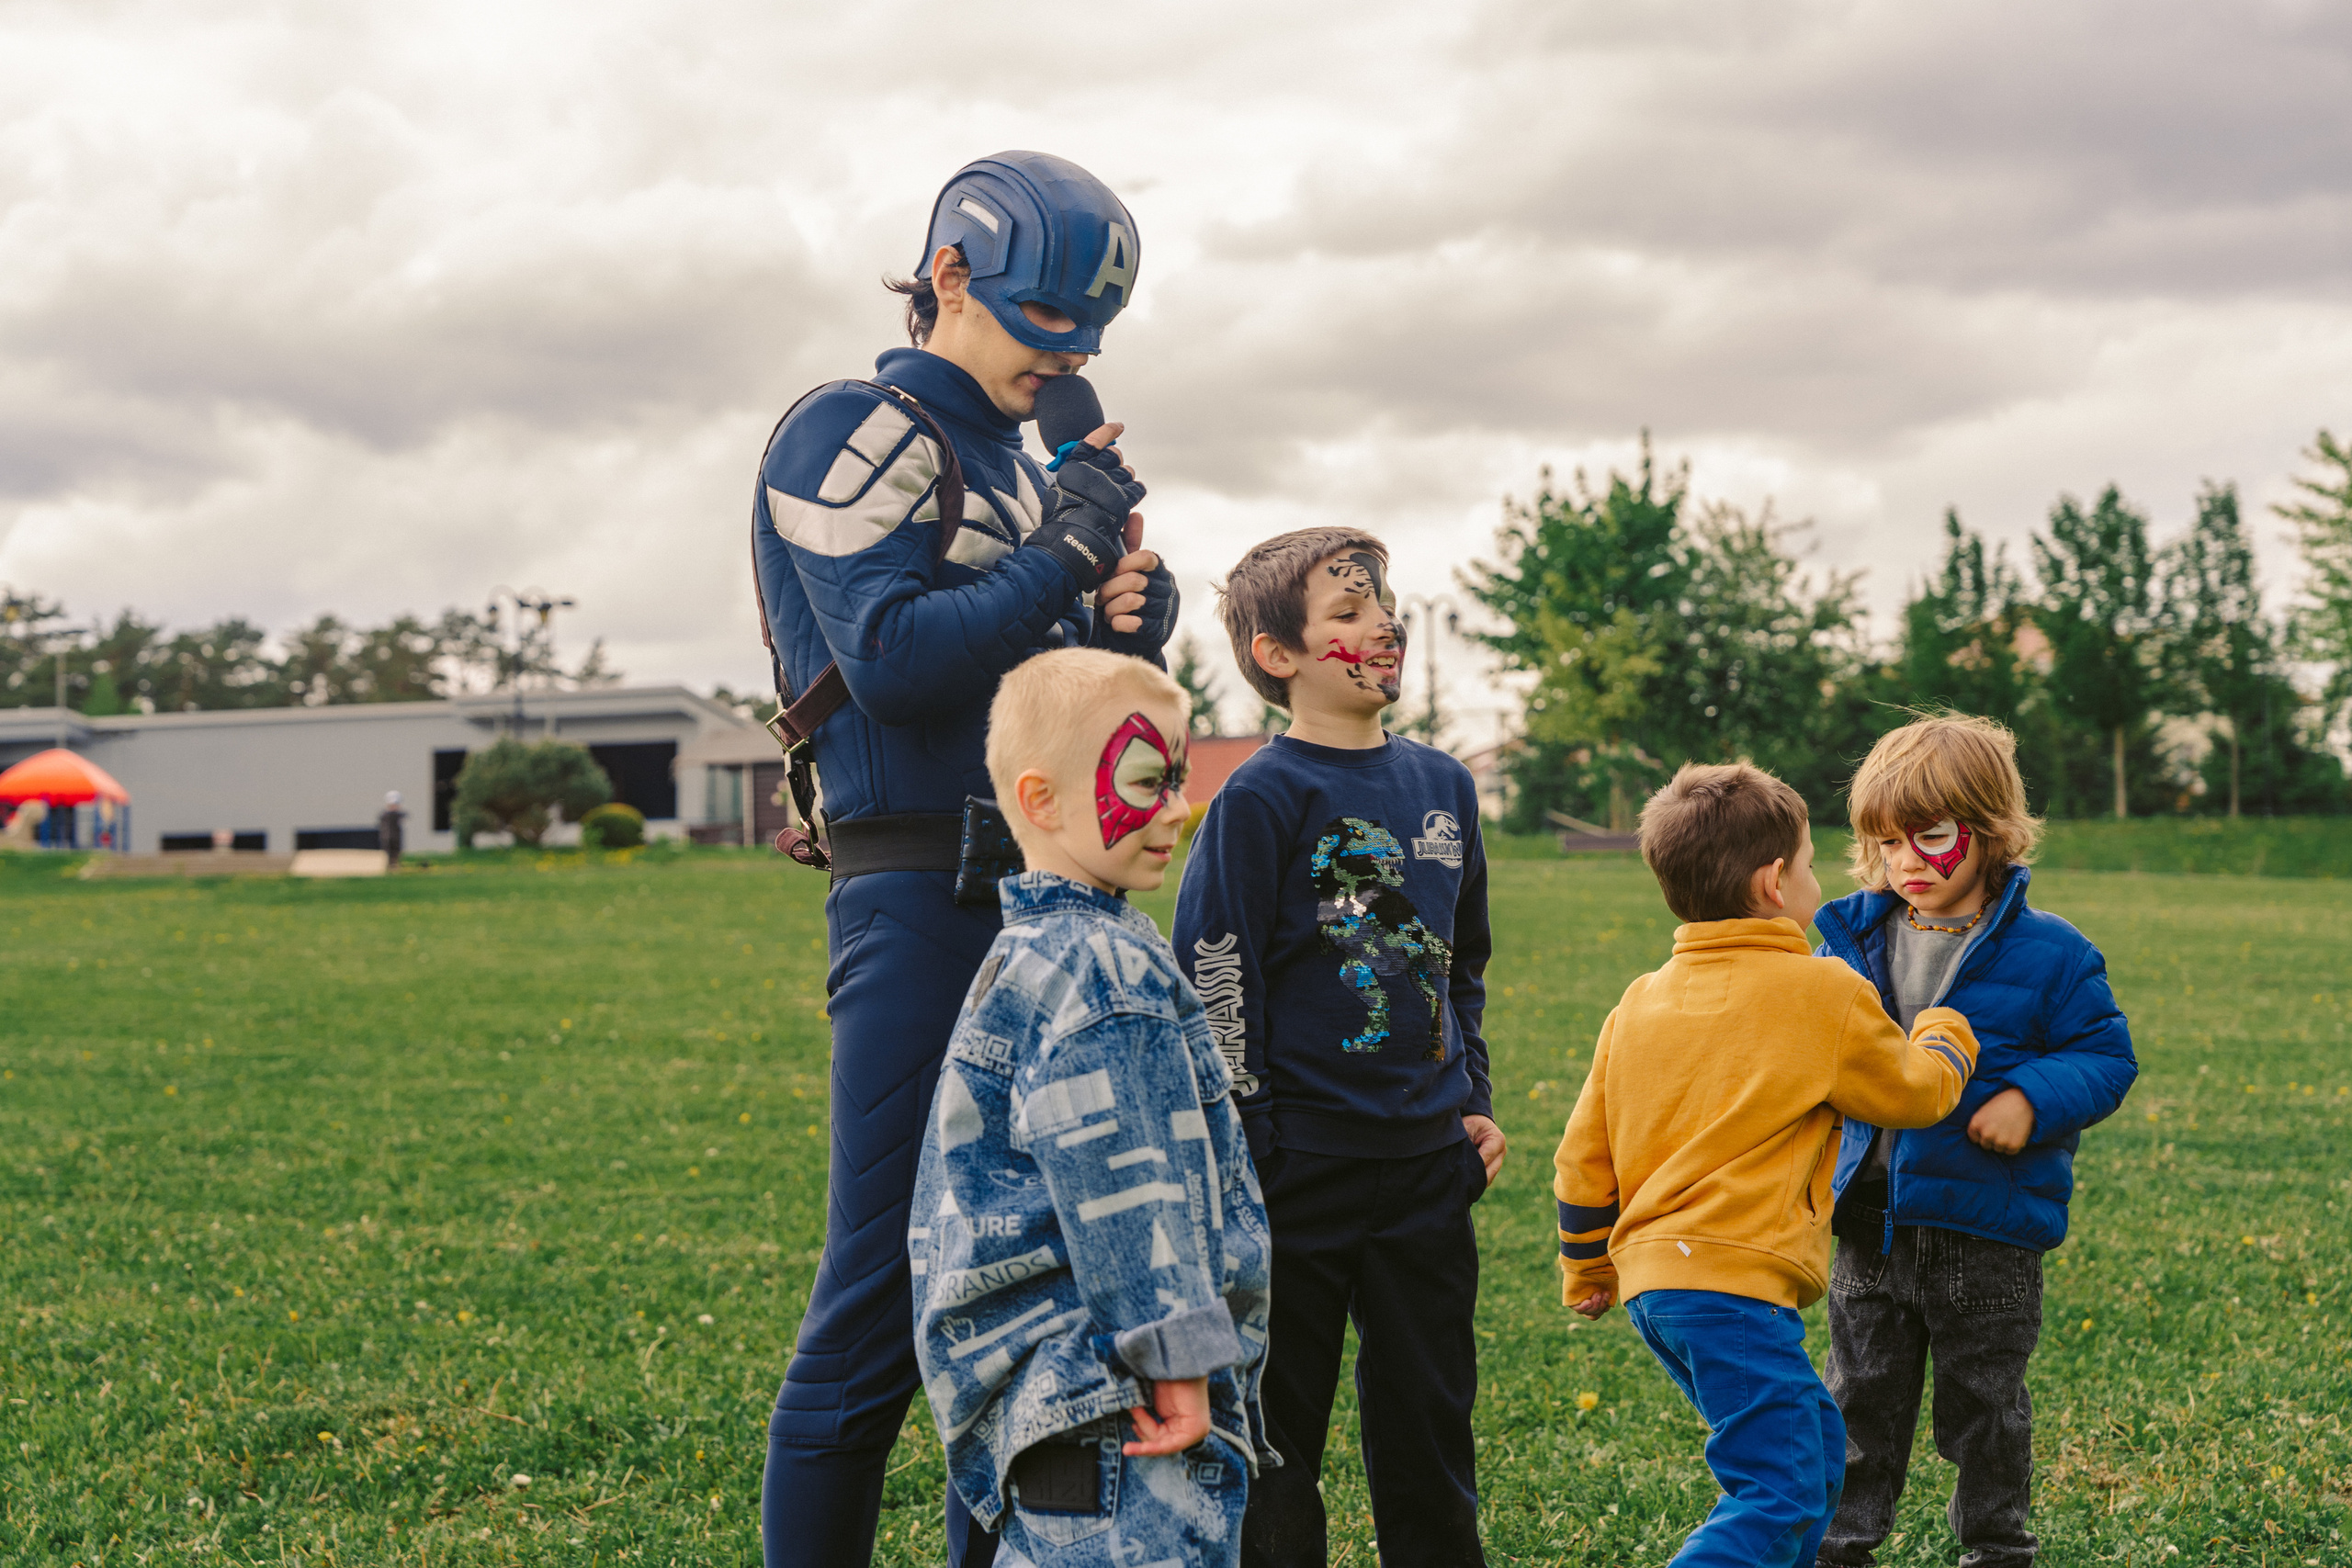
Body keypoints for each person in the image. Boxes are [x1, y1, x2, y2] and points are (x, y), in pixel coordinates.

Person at [751, 151, 1179, 1568]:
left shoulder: (1019, 460)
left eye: (1081, 339)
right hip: (919, 895)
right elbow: (892, 664)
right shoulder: (845, 426)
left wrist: (1123, 629)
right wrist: (1064, 553)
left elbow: (1045, 716)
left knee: (1023, 1298)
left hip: (1041, 898)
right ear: (949, 278)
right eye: (1037, 326)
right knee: (882, 1296)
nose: (1060, 361)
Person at [1552, 761, 1983, 1568]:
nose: (1819, 879)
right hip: (1731, 1288)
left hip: (1654, 1286)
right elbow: (1914, 1094)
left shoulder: (1639, 998)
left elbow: (1582, 1159)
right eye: (1813, 863)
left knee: (1816, 1450)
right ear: (1774, 882)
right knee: (1777, 1487)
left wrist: (1586, 1270)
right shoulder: (1822, 991)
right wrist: (1945, 1036)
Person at [1173, 527, 1499, 1567]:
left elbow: (1461, 965)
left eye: (1384, 605)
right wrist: (1257, 1144)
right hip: (1294, 1178)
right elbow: (1217, 975)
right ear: (1280, 653)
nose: (1383, 625)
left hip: (1424, 1170)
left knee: (1431, 1427)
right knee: (1277, 1442)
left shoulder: (1445, 786)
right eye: (1348, 611)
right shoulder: (1262, 799)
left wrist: (1471, 1102)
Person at [910, 648, 1273, 1568]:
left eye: (1179, 781)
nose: (1176, 810)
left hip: (1053, 1413)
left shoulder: (1025, 950)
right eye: (1147, 783)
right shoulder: (1104, 969)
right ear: (1040, 801)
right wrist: (1178, 1358)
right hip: (1124, 1411)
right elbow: (1127, 1187)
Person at [1810, 715, 2137, 1568]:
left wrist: (2032, 1097)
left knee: (1986, 1408)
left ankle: (1996, 1548)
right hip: (1868, 1222)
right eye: (1885, 842)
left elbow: (2104, 1054)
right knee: (1856, 1402)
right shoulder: (1845, 944)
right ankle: (1840, 1544)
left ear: (1989, 834)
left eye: (1929, 838)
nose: (1905, 861)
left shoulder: (2053, 953)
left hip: (1985, 1233)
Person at [378, 791, 406, 868]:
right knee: (389, 854)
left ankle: (394, 866)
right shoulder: (387, 815)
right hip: (389, 838)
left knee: (395, 853)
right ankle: (391, 866)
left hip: (393, 837)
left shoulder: (389, 815)